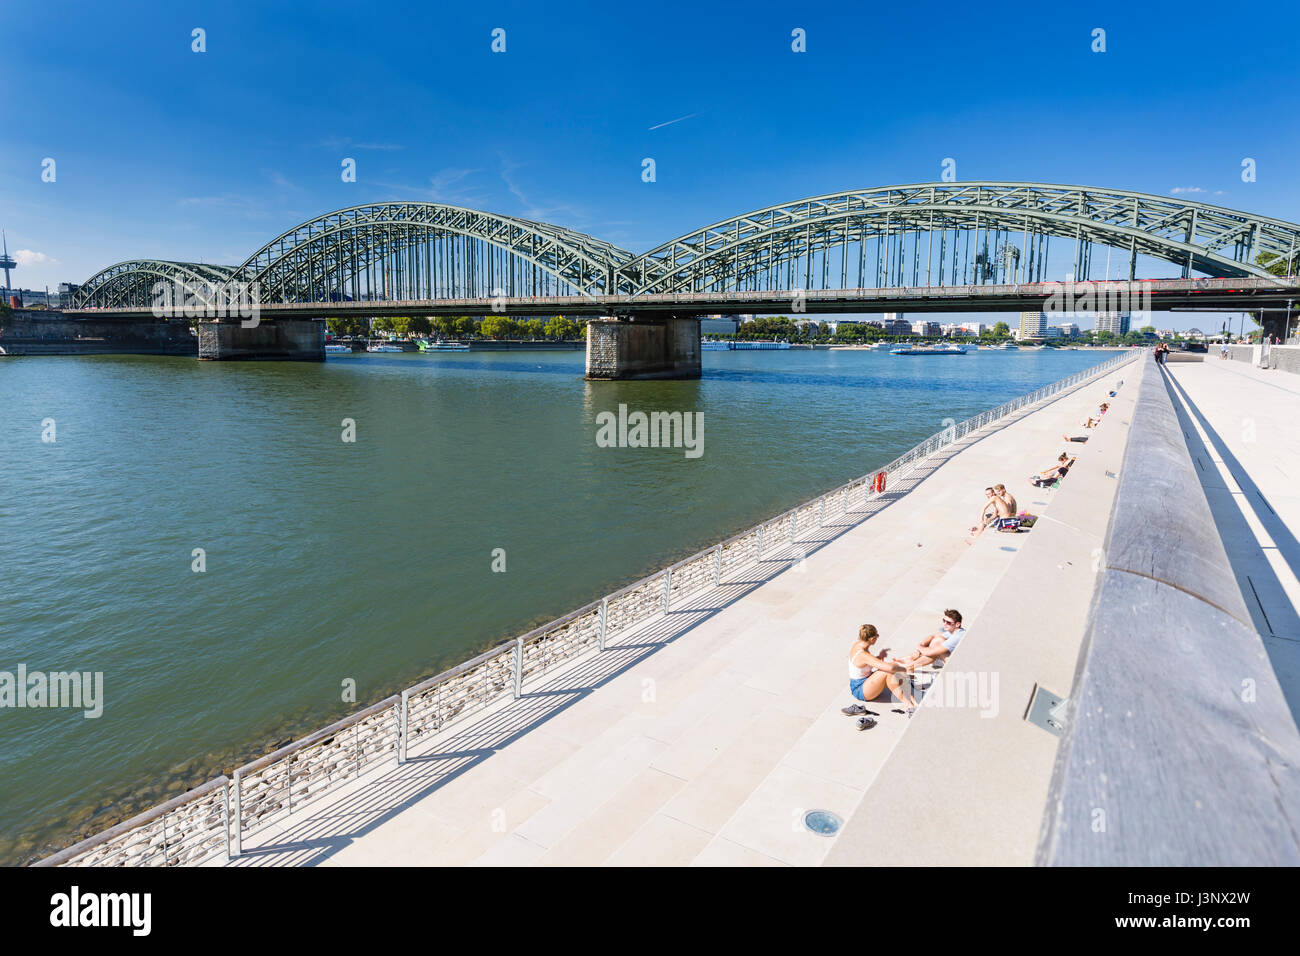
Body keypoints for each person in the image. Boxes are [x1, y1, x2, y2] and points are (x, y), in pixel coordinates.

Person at [841, 624, 917, 723]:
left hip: (865, 680)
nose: (878, 637)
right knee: (889, 670)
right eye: (877, 635)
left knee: (890, 672)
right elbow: (889, 667)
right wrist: (904, 668)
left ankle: (912, 702)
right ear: (872, 639)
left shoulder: (859, 644)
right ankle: (910, 706)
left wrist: (879, 657)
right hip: (860, 689)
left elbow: (866, 663)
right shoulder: (863, 654)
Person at [893, 610, 967, 672]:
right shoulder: (954, 631)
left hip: (961, 667)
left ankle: (908, 665)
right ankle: (910, 660)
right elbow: (933, 636)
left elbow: (931, 652)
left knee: (936, 647)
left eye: (948, 622)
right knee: (937, 641)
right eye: (944, 621)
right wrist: (920, 647)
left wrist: (919, 647)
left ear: (957, 624)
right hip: (956, 659)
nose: (944, 624)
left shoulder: (957, 636)